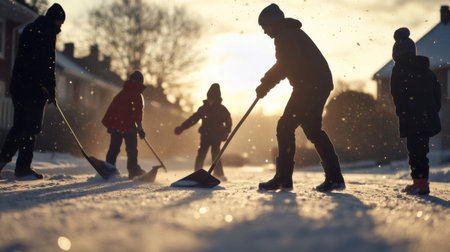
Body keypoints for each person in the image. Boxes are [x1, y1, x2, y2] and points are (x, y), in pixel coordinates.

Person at [256, 3, 345, 192]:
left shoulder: (284, 36)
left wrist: (265, 84)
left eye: (265, 26)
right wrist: (267, 83)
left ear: (272, 23)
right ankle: (334, 177)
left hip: (310, 85)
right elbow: (288, 64)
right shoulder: (291, 33)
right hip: (316, 84)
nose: (264, 31)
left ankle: (283, 178)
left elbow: (286, 64)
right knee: (312, 129)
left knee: (285, 126)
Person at [0, 3, 65, 179]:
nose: (60, 26)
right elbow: (47, 64)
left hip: (20, 85)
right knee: (30, 127)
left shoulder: (31, 28)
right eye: (60, 22)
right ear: (55, 20)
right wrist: (50, 89)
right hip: (34, 89)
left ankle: (2, 160)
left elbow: (29, 59)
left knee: (19, 125)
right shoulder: (47, 33)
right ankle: (23, 168)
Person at [390, 27, 441, 195]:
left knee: (415, 152)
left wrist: (402, 113)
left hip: (411, 118)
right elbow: (437, 92)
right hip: (427, 117)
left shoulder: (398, 71)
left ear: (396, 54)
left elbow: (397, 94)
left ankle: (419, 184)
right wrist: (433, 110)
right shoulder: (426, 70)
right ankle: (421, 182)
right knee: (422, 151)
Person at [174, 83, 232, 181]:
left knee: (216, 154)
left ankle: (218, 174)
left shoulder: (222, 109)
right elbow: (193, 119)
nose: (210, 101)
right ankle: (197, 173)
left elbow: (228, 121)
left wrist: (226, 132)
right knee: (201, 154)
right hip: (205, 135)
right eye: (209, 98)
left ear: (217, 99)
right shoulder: (203, 108)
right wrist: (183, 127)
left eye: (213, 99)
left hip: (217, 136)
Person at [102, 71, 147, 180]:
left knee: (114, 148)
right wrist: (140, 129)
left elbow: (113, 109)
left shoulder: (122, 92)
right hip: (129, 127)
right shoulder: (137, 95)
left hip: (116, 125)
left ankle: (109, 167)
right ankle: (133, 170)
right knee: (131, 149)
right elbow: (137, 113)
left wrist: (111, 125)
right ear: (141, 82)